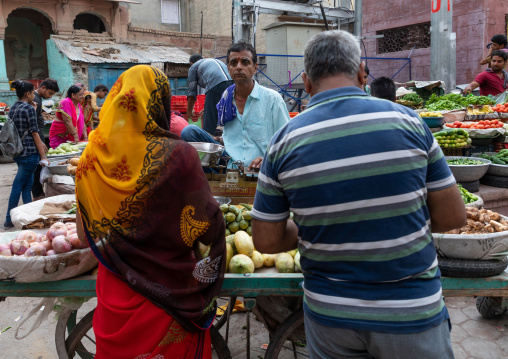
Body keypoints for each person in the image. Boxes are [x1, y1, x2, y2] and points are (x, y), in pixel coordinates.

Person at [251, 30, 466, 359]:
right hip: (411, 311)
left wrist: (315, 226)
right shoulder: (409, 122)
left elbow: (265, 241)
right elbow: (453, 217)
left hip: (331, 315)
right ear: (362, 73)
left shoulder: (283, 141)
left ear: (306, 83)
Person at [75, 65, 225, 359]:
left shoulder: (91, 158)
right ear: (161, 102)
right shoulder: (179, 155)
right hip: (171, 295)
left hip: (116, 296)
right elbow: (206, 228)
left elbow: (84, 236)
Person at [181, 41, 290, 171]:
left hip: (260, 167)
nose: (238, 67)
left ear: (255, 67)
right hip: (229, 162)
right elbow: (230, 137)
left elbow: (287, 142)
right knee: (189, 132)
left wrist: (268, 159)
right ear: (228, 68)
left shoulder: (273, 99)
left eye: (245, 62)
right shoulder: (227, 96)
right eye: (233, 63)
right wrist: (216, 140)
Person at [4, 80, 48, 229]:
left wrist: (33, 109)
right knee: (18, 185)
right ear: (28, 93)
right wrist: (43, 156)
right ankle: (9, 219)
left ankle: (27, 214)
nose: (34, 94)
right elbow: (34, 133)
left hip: (18, 151)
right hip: (29, 152)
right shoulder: (28, 109)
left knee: (27, 184)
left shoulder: (14, 107)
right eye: (33, 92)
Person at [187, 54, 234, 135]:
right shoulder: (211, 61)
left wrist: (189, 111)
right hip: (232, 84)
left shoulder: (193, 67)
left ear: (191, 63)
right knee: (229, 114)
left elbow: (192, 92)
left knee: (209, 122)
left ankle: (208, 142)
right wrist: (207, 107)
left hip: (216, 85)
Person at [32, 78, 60, 200]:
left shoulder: (37, 99)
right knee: (37, 168)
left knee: (38, 167)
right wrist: (40, 142)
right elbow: (33, 126)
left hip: (38, 137)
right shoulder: (35, 100)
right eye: (49, 93)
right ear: (43, 88)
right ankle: (37, 194)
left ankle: (39, 192)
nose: (49, 96)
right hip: (36, 138)